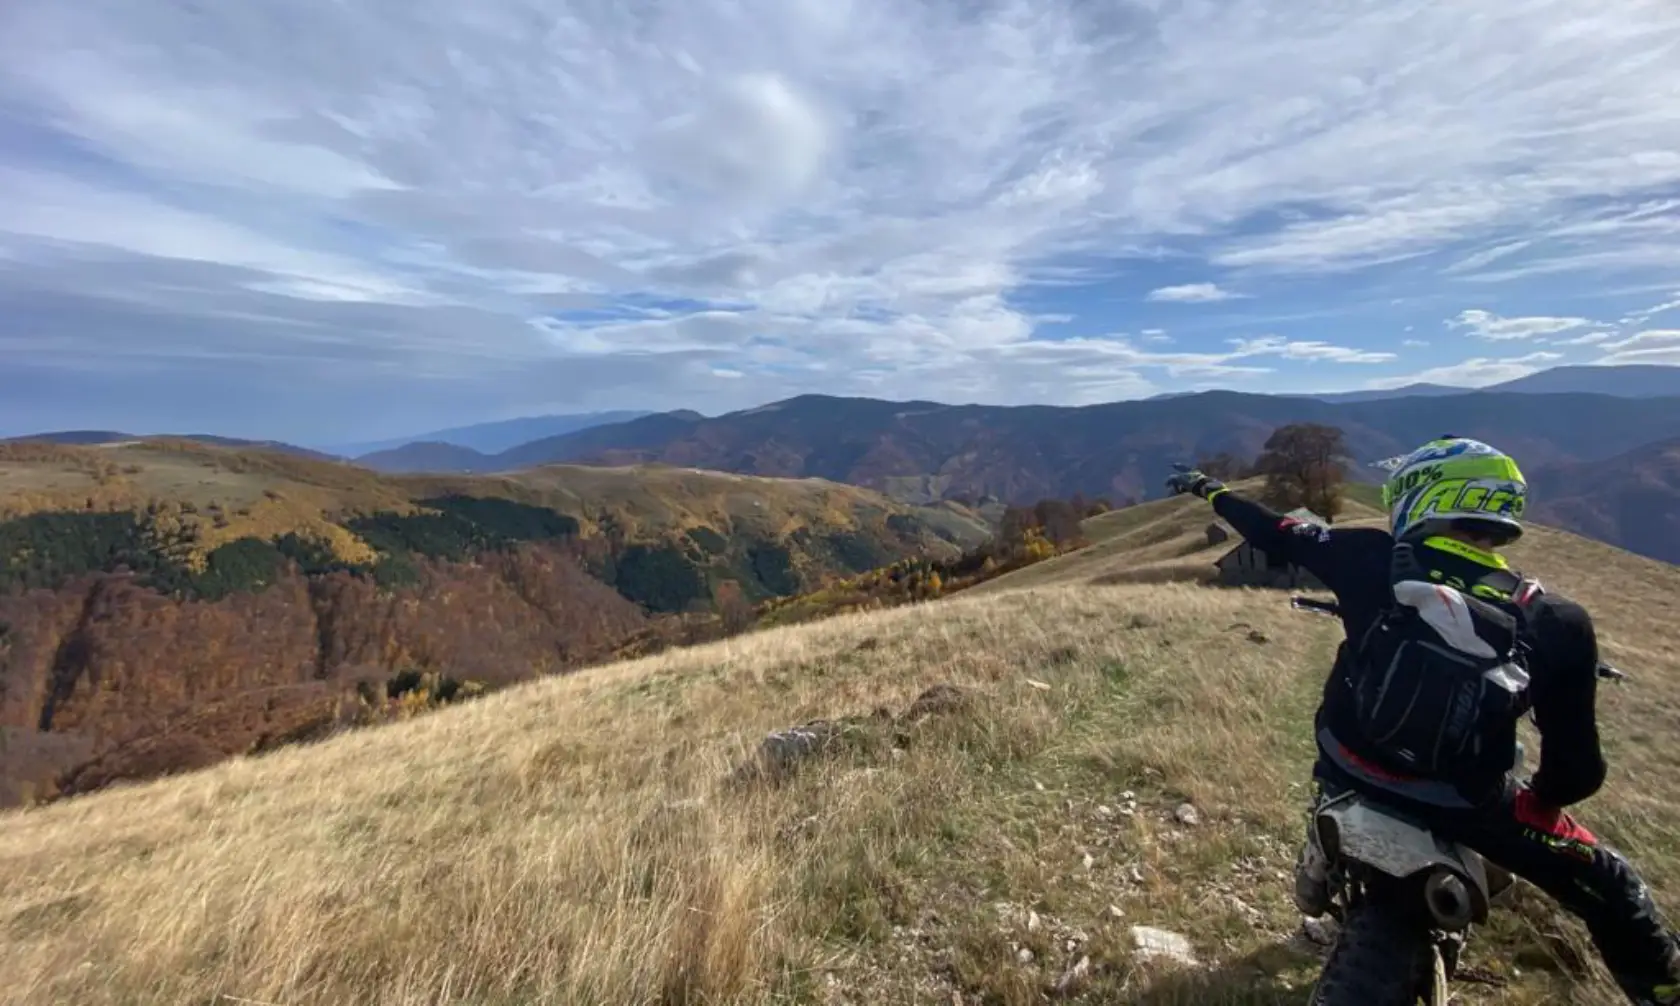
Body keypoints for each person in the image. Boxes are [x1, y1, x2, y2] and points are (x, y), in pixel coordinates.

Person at [1165, 436, 1680, 1005]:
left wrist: (1208, 489)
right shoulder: (1557, 621)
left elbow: (1273, 530)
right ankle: (1661, 988)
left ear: (1420, 496)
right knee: (1611, 882)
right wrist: (1540, 794)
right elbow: (1576, 774)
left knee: (1333, 750)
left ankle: (1320, 843)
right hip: (1467, 802)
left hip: (1347, 760)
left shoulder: (1365, 555)